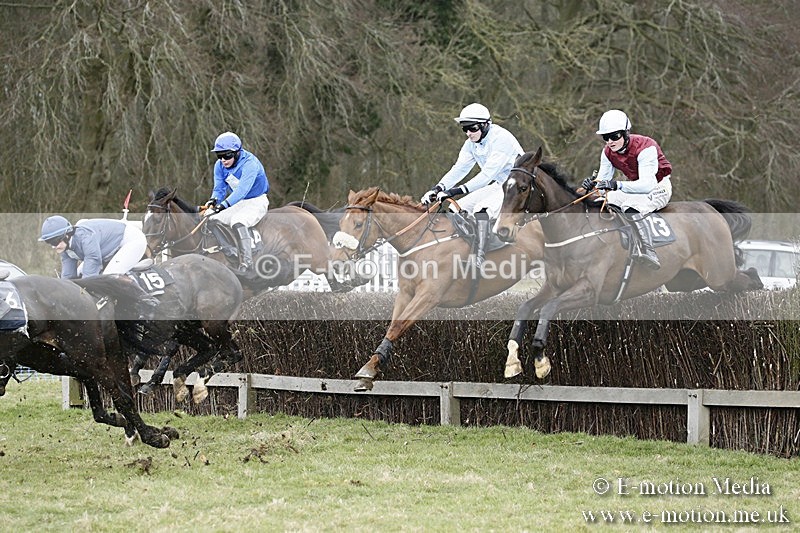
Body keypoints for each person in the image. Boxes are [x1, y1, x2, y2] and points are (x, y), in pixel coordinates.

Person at [420, 103, 524, 268]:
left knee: (481, 209)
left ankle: (480, 258)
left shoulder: (501, 139)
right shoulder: (471, 143)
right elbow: (459, 169)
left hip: (516, 187)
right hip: (499, 184)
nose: (468, 133)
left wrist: (454, 191)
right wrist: (438, 188)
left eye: (472, 128)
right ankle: (462, 251)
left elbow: (485, 176)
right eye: (464, 128)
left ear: (485, 125)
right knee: (456, 208)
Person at [581, 109, 672, 270]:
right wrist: (592, 186)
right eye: (605, 137)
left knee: (630, 208)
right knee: (600, 202)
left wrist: (616, 185)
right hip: (634, 188)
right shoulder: (607, 152)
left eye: (614, 136)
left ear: (626, 133)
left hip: (657, 187)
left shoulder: (646, 147)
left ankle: (649, 251)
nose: (610, 141)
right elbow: (603, 185)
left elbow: (647, 185)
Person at [202, 131, 269, 273]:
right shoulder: (219, 166)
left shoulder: (250, 164)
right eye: (219, 156)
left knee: (238, 220)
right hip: (237, 202)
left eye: (227, 155)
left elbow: (241, 191)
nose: (223, 160)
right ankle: (230, 252)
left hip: (256, 201)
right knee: (212, 219)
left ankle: (247, 262)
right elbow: (219, 189)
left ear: (237, 152)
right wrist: (213, 200)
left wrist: (223, 205)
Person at [39, 216, 148, 279]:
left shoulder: (86, 238)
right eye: (49, 242)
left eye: (55, 241)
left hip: (131, 240)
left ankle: (141, 298)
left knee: (108, 278)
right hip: (104, 247)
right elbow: (68, 276)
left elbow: (90, 279)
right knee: (78, 275)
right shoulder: (64, 247)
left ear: (67, 235)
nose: (53, 246)